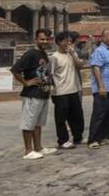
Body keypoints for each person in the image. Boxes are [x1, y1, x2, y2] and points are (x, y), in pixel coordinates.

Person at [11, 28, 57, 159]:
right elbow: (15, 70)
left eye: (47, 39)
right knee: (29, 122)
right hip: (32, 93)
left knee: (38, 123)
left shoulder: (43, 54)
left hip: (43, 93)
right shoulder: (31, 54)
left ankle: (38, 147)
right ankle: (28, 150)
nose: (45, 41)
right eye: (42, 39)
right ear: (36, 39)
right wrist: (26, 83)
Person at [87, 27, 109, 149]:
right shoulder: (99, 51)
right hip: (103, 88)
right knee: (99, 114)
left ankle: (104, 136)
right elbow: (96, 68)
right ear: (103, 37)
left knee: (108, 114)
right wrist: (101, 85)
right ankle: (93, 139)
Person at [49, 30, 85, 149]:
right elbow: (50, 74)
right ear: (59, 42)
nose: (68, 43)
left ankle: (78, 137)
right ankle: (63, 140)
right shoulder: (54, 57)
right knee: (61, 118)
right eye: (65, 41)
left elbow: (80, 66)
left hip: (74, 89)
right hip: (60, 92)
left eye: (70, 41)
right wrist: (53, 90)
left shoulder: (71, 54)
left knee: (77, 116)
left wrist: (73, 54)